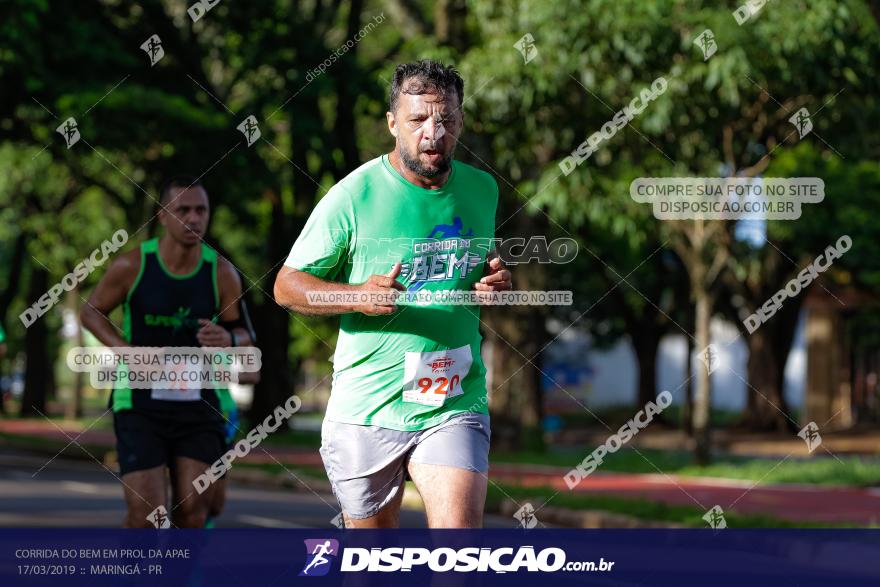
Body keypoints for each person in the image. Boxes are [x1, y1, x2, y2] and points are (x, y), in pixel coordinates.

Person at [274, 60, 512, 528]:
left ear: (460, 121)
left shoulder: (483, 190)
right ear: (392, 124)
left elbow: (472, 276)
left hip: (454, 399)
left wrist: (493, 285)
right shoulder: (353, 195)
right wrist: (355, 296)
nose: (432, 132)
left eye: (445, 119)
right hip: (369, 407)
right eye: (417, 119)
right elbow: (286, 286)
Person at [81, 176, 252, 528]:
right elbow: (90, 311)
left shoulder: (221, 272)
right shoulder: (133, 266)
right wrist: (125, 351)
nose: (193, 218)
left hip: (201, 403)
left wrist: (228, 339)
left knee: (194, 512)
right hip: (140, 403)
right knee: (147, 516)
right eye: (183, 210)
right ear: (162, 216)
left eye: (201, 210)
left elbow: (244, 335)